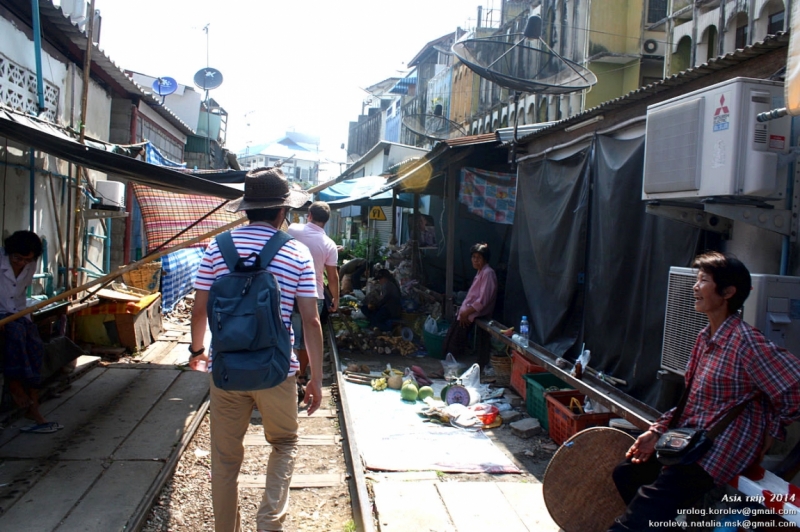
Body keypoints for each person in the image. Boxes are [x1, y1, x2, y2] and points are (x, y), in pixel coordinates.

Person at [608, 251, 800, 532]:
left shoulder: (746, 343)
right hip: (691, 441)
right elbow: (692, 403)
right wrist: (656, 431)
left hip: (719, 450)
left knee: (642, 513)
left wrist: (773, 430)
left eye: (703, 280)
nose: (695, 287)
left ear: (727, 292)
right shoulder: (704, 338)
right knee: (626, 474)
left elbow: (795, 386)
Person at [189, 167, 324, 532]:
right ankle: (269, 523)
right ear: (282, 212)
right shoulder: (296, 253)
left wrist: (198, 351)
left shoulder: (217, 247)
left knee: (225, 458)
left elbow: (199, 308)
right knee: (284, 442)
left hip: (227, 369)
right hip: (277, 370)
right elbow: (311, 321)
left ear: (246, 208)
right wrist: (315, 380)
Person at [0, 231, 62, 433]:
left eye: (27, 260)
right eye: (18, 258)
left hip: (17, 312)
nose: (22, 263)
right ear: (9, 253)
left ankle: (33, 401)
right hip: (2, 316)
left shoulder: (30, 264)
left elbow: (19, 294)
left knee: (35, 343)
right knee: (15, 337)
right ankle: (15, 388)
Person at [288, 201, 339, 392]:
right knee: (307, 338)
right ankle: (302, 375)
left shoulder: (293, 230)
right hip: (314, 295)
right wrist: (335, 299)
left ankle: (290, 375)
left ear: (309, 215)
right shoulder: (329, 244)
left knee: (290, 334)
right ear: (326, 220)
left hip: (289, 293)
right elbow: (332, 277)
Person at [442, 242, 497, 367]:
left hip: (472, 314)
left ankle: (449, 369)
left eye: (479, 258)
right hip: (467, 313)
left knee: (454, 343)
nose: (475, 260)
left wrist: (466, 313)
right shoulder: (480, 272)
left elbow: (483, 300)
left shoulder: (488, 273)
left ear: (485, 259)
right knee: (450, 339)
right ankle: (447, 367)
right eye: (473, 257)